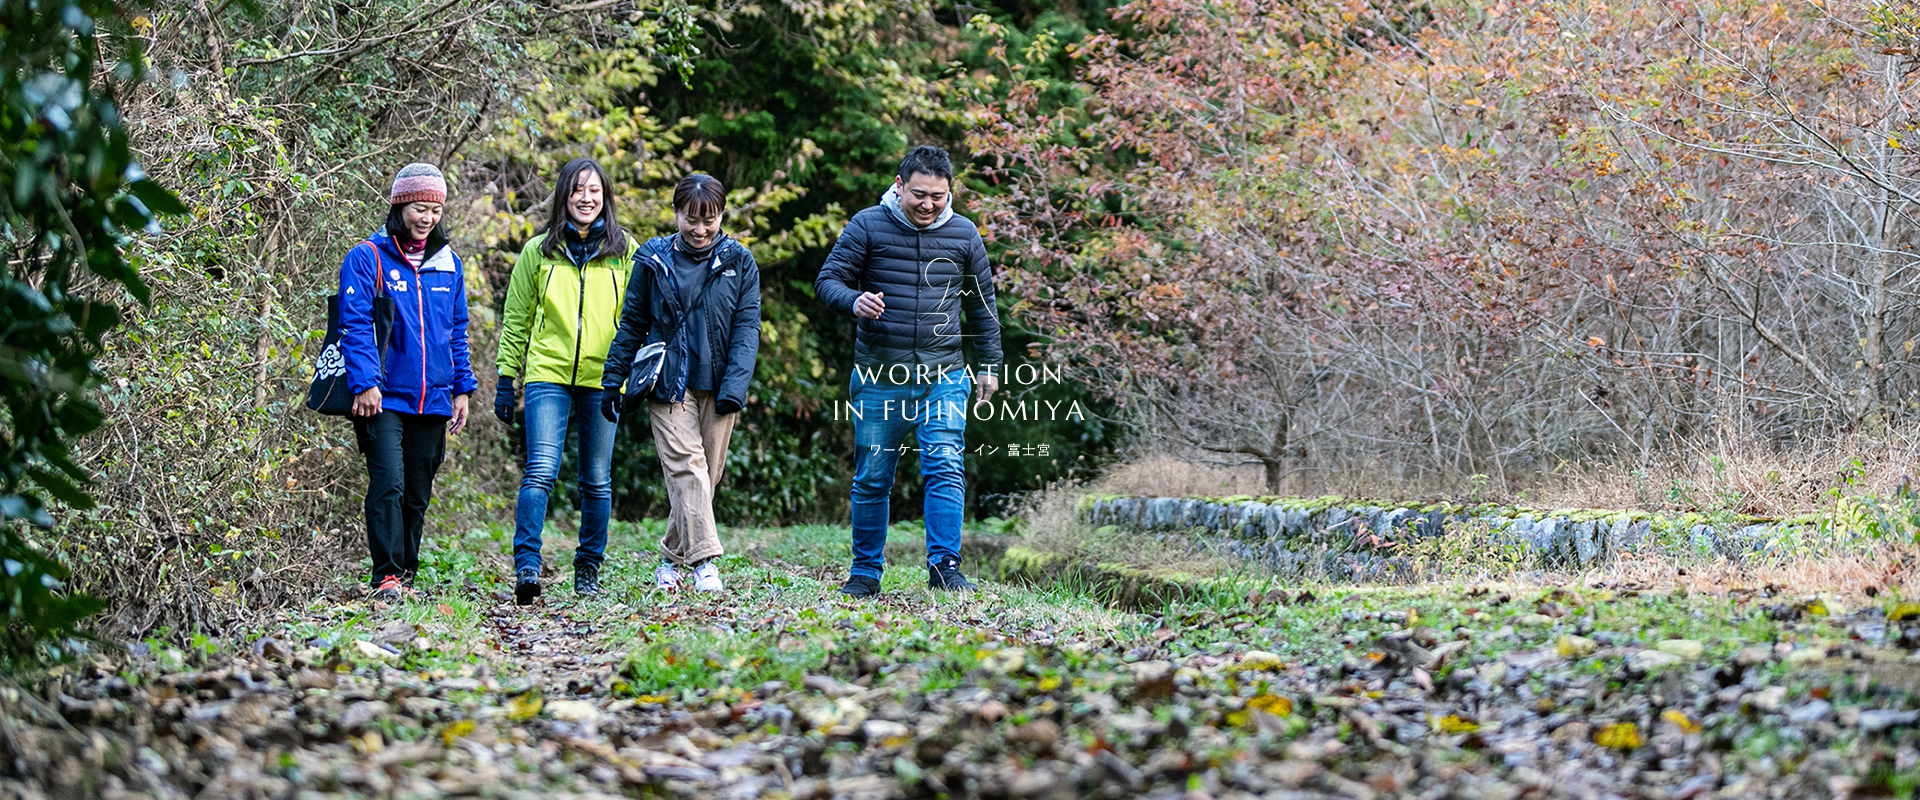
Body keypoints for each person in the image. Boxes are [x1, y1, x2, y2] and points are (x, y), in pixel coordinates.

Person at [814, 145, 1003, 598]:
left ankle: (944, 567)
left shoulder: (964, 234)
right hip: (880, 375)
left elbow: (982, 307)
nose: (928, 204)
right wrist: (854, 301)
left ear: (949, 192)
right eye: (919, 194)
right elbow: (828, 281)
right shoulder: (868, 225)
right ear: (899, 186)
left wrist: (991, 366)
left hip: (945, 374)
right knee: (874, 475)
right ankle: (865, 572)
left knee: (945, 464)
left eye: (938, 196)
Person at [601, 174, 761, 593]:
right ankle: (706, 563)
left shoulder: (739, 261)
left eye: (710, 220)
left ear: (722, 216)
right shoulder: (653, 259)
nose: (700, 229)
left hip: (719, 382)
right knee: (688, 470)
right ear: (676, 213)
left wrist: (736, 387)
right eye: (691, 219)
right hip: (667, 383)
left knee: (707, 476)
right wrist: (612, 379)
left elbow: (748, 328)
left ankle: (670, 561)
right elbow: (632, 322)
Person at [495, 158, 637, 604]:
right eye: (577, 189)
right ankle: (527, 568)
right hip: (548, 373)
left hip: (604, 378)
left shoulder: (626, 251)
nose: (586, 197)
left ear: (606, 197)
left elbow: (636, 321)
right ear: (563, 196)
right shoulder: (538, 252)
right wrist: (506, 377)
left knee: (596, 478)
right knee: (540, 471)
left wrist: (625, 381)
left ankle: (588, 570)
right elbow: (516, 318)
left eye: (594, 189)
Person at [338, 162, 477, 603]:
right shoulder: (368, 257)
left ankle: (407, 572)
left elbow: (457, 330)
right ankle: (387, 576)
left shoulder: (448, 263)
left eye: (435, 210)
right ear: (400, 206)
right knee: (388, 485)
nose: (428, 219)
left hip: (434, 398)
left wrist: (462, 389)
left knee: (417, 493)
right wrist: (365, 382)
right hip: (382, 396)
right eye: (420, 208)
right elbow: (355, 323)